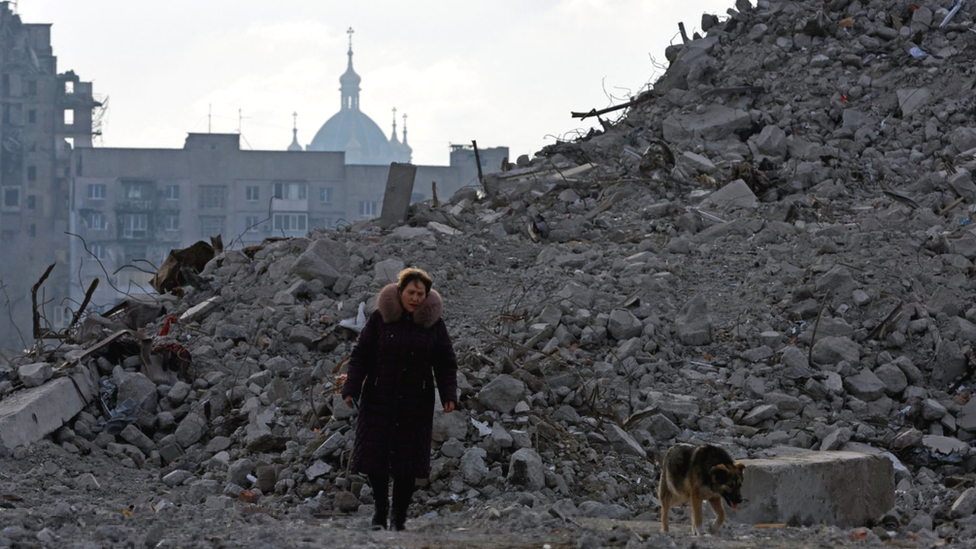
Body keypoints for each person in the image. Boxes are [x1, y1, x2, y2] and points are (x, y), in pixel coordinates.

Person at [341, 267, 458, 531]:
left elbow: (446, 363)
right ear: (400, 291)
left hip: (415, 403)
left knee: (407, 461)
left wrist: (449, 393)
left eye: (421, 293)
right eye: (411, 292)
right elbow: (361, 355)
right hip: (379, 399)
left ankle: (399, 517)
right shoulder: (380, 319)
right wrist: (351, 387)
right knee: (376, 458)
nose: (415, 298)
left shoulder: (434, 325)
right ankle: (380, 513)